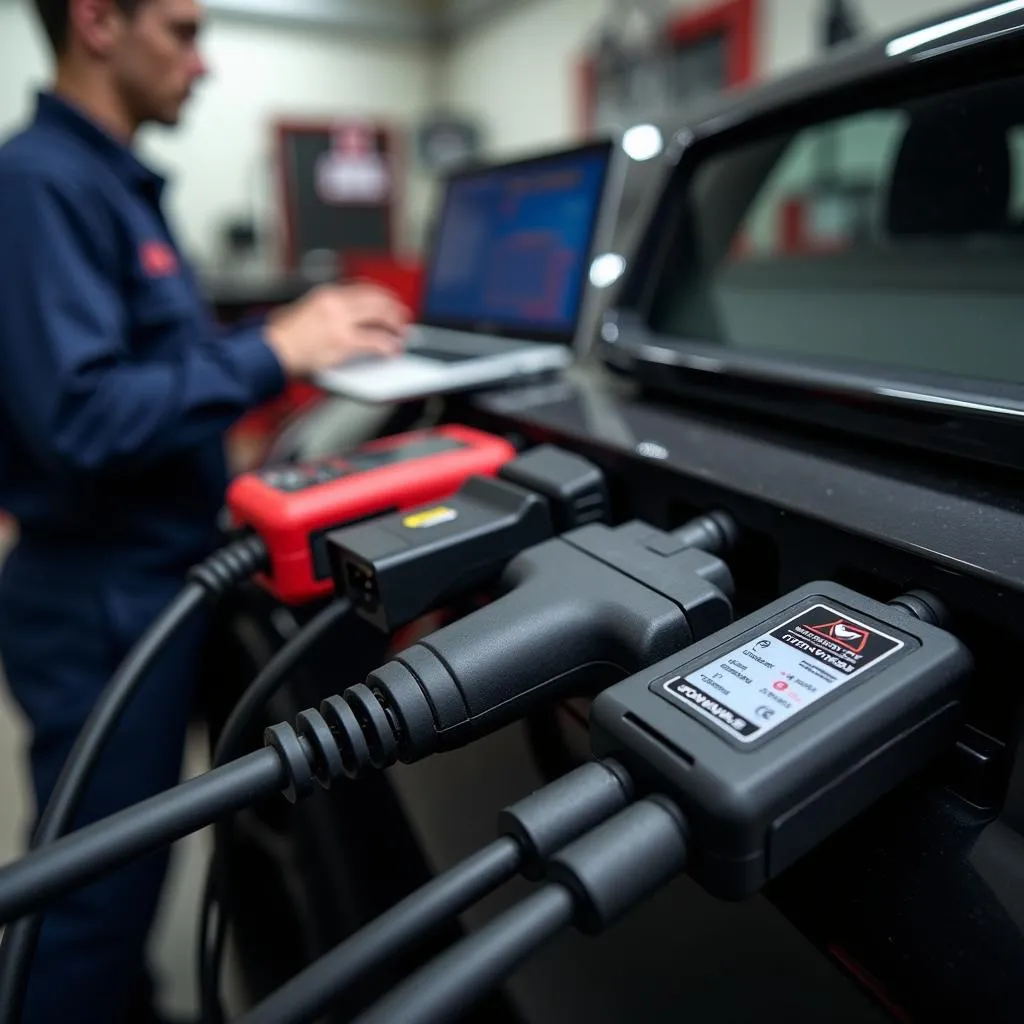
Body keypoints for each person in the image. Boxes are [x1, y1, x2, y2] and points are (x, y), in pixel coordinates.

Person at [0, 0, 410, 1020]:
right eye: (182, 31)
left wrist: (278, 333)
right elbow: (81, 415)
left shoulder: (114, 182)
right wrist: (276, 351)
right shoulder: (38, 184)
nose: (202, 63)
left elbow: (152, 361)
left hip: (161, 570)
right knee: (91, 897)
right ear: (98, 21)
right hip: (100, 595)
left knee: (145, 867)